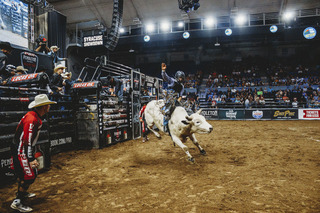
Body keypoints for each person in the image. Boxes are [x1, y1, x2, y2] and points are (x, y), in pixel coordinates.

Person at [10, 94, 56, 212]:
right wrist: (30, 158)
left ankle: (21, 194)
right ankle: (18, 201)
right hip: (21, 149)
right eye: (48, 105)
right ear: (44, 107)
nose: (49, 107)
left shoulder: (33, 116)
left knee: (25, 174)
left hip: (20, 147)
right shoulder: (32, 119)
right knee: (30, 175)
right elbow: (27, 140)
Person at [161, 62, 185, 133]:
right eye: (180, 78)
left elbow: (180, 95)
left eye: (182, 78)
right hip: (168, 97)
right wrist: (163, 71)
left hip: (175, 99)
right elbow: (165, 77)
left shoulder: (182, 86)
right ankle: (165, 125)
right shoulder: (172, 80)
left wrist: (177, 101)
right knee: (167, 110)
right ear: (177, 77)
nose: (181, 79)